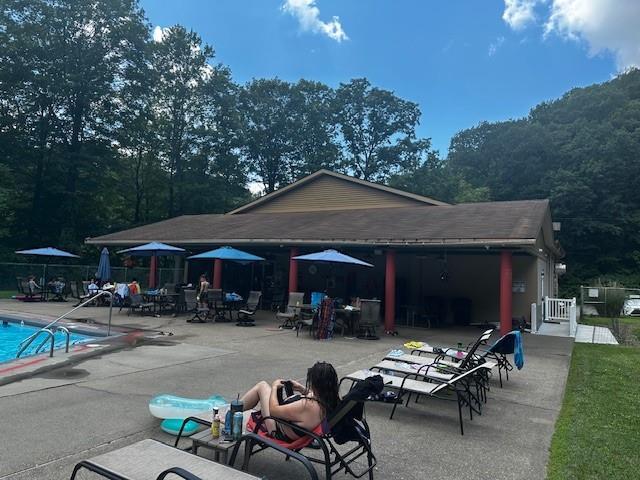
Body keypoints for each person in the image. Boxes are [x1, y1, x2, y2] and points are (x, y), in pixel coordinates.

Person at [239, 361, 340, 442]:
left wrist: (274, 387)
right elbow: (313, 394)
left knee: (262, 386)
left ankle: (234, 410)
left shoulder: (309, 406)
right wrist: (301, 388)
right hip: (294, 429)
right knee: (264, 388)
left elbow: (273, 411)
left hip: (276, 428)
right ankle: (235, 409)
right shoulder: (329, 400)